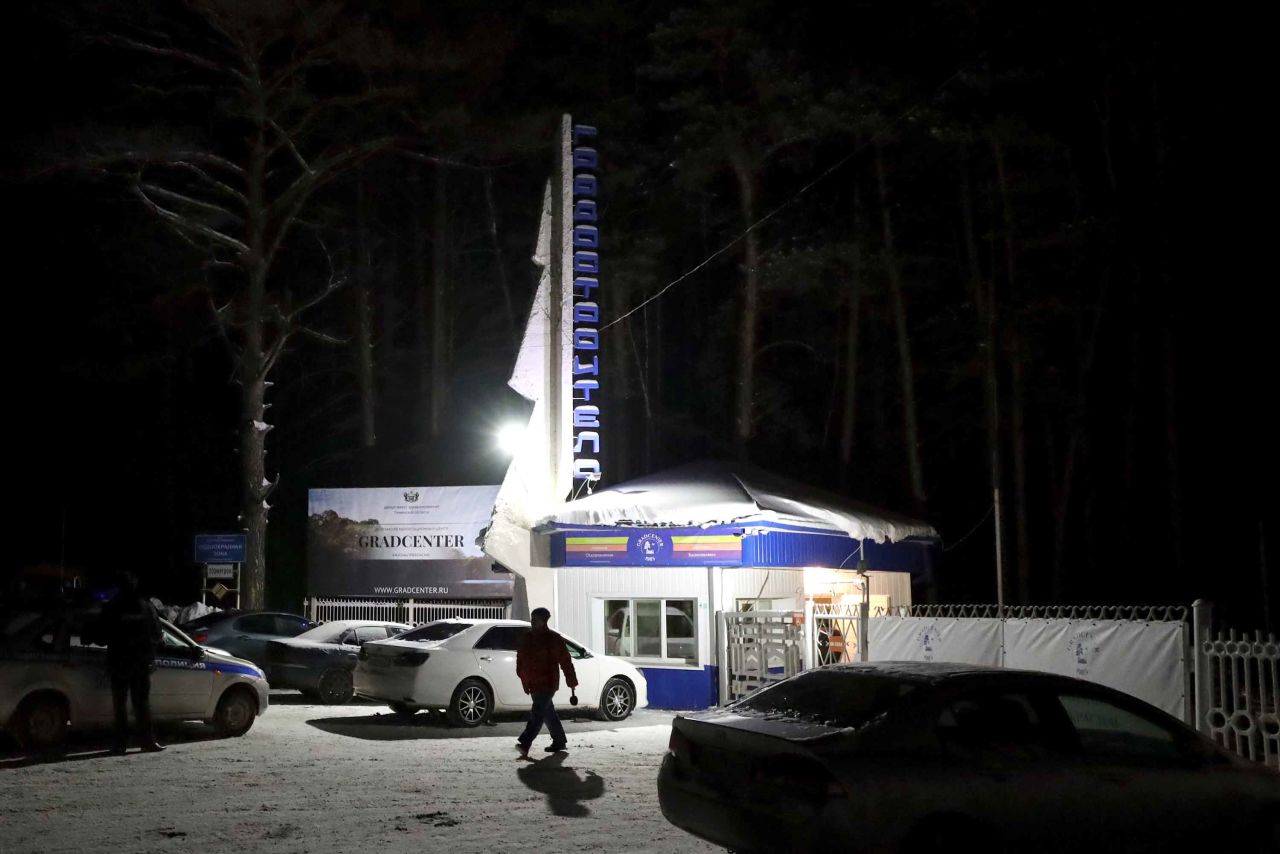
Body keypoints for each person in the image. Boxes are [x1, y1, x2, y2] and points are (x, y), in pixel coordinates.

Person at [98, 571, 164, 754]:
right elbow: (157, 634)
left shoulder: (112, 607)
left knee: (120, 705)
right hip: (140, 664)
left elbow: (100, 635)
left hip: (119, 663)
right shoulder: (146, 606)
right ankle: (147, 742)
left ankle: (120, 744)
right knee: (142, 705)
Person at [515, 607, 577, 758]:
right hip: (533, 683)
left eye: (536, 619)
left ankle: (525, 743)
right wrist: (524, 680)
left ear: (544, 621)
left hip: (548, 683)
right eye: (532, 618)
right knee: (548, 713)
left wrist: (571, 680)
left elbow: (565, 661)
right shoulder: (527, 638)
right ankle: (559, 741)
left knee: (537, 713)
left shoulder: (554, 639)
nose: (532, 622)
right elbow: (521, 660)